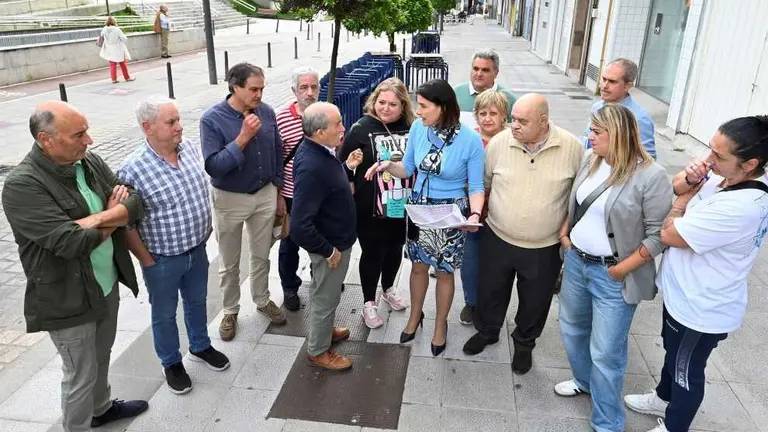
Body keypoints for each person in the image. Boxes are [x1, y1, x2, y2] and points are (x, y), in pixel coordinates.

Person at [2, 101, 148, 431]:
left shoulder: (87, 161)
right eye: (79, 134)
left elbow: (135, 201)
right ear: (45, 139)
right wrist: (115, 216)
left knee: (101, 355)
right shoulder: (22, 185)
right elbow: (70, 243)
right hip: (67, 297)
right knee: (79, 375)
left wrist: (96, 219)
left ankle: (102, 408)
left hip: (105, 283)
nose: (90, 140)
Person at [624, 116, 768, 432]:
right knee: (673, 352)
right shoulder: (725, 177)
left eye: (718, 156)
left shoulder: (741, 206)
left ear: (749, 164)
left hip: (702, 308)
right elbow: (676, 186)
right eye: (709, 149)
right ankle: (662, 398)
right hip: (684, 295)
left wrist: (681, 203)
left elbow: (669, 234)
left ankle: (674, 426)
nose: (708, 160)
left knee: (686, 370)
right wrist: (688, 182)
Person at [553, 104, 672, 432]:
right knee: (572, 329)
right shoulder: (592, 160)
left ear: (617, 134)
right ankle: (583, 381)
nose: (589, 137)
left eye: (596, 132)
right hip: (577, 262)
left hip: (614, 276)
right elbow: (576, 203)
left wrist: (620, 270)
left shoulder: (651, 176)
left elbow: (658, 235)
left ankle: (607, 423)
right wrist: (565, 235)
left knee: (606, 352)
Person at [463, 93, 583, 374]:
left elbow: (579, 196)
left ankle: (524, 345)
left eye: (522, 121)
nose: (513, 125)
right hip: (498, 237)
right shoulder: (500, 144)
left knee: (535, 301)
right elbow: (485, 182)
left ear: (543, 121)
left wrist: (567, 233)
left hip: (544, 246)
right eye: (513, 119)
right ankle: (488, 331)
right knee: (490, 292)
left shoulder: (571, 147)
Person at [365, 79, 485, 357]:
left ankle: (440, 324)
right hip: (419, 208)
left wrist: (475, 213)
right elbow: (407, 169)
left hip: (449, 212)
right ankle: (415, 316)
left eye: (424, 106)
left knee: (444, 272)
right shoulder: (419, 128)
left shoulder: (470, 140)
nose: (418, 112)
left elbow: (477, 186)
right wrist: (388, 165)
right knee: (418, 266)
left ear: (443, 108)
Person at [118, 96, 229, 395]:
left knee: (197, 301)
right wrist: (146, 259)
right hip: (162, 260)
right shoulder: (132, 170)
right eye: (171, 122)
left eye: (178, 119)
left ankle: (200, 345)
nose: (180, 127)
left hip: (197, 250)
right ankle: (171, 362)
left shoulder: (190, 149)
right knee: (164, 314)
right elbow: (125, 224)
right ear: (147, 127)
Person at [200, 62, 287, 342]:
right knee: (230, 260)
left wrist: (278, 190)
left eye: (262, 88)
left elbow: (277, 151)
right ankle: (230, 309)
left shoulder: (267, 111)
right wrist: (243, 137)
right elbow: (214, 166)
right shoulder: (211, 119)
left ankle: (262, 300)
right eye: (253, 89)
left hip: (264, 195)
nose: (259, 94)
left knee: (262, 254)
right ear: (235, 87)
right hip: (230, 198)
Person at [339, 78, 413, 329]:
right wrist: (351, 166)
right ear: (374, 101)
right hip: (369, 206)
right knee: (373, 252)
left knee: (394, 249)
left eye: (393, 104)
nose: (386, 108)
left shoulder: (411, 127)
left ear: (403, 106)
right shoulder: (361, 128)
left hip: (401, 205)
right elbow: (343, 166)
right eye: (381, 102)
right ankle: (368, 302)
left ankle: (388, 289)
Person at [291, 102, 356, 371]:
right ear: (319, 132)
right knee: (325, 298)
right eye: (337, 123)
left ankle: (324, 331)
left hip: (336, 240)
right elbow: (299, 225)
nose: (343, 127)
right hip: (331, 248)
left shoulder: (322, 151)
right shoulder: (312, 166)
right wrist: (329, 251)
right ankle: (318, 350)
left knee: (325, 293)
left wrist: (347, 168)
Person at [458, 89, 509, 325]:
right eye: (482, 113)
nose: (488, 118)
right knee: (470, 261)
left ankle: (491, 305)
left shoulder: (511, 141)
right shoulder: (469, 139)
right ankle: (471, 302)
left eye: (493, 113)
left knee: (497, 266)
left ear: (503, 117)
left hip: (502, 212)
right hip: (474, 212)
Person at [276, 66, 320, 311]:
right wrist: (279, 195)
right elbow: (276, 159)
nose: (309, 92)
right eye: (304, 87)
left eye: (314, 87)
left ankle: (319, 277)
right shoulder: (281, 118)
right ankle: (289, 287)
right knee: (290, 243)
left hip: (320, 194)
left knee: (321, 238)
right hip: (293, 194)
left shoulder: (327, 113)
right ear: (294, 91)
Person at [584, 58, 655, 159]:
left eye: (612, 82)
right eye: (604, 79)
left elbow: (648, 159)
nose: (604, 86)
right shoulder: (597, 107)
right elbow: (587, 139)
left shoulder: (639, 118)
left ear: (628, 86)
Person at [453, 50, 516, 128]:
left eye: (485, 70)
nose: (479, 74)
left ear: (496, 73)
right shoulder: (455, 94)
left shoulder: (509, 99)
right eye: (475, 69)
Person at [99, 16, 134, 84]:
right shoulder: (117, 29)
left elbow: (102, 37)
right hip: (118, 48)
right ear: (114, 22)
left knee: (112, 64)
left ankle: (114, 79)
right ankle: (127, 77)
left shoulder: (104, 29)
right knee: (122, 63)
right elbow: (124, 39)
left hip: (109, 49)